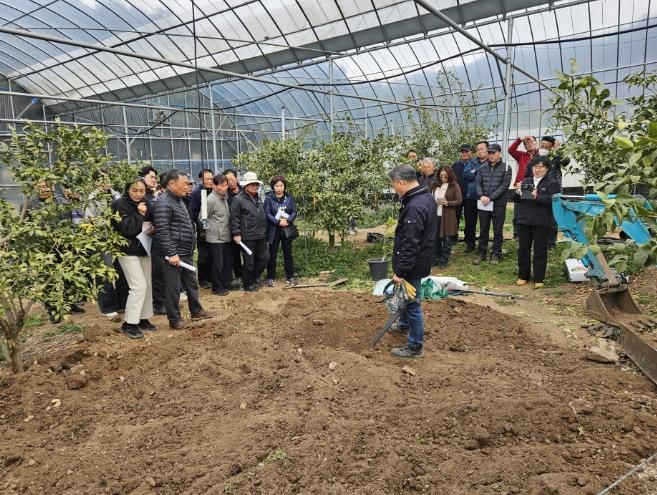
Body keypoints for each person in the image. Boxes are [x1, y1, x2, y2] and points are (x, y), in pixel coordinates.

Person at [152, 169, 214, 329]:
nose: (188, 187)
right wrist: (171, 253)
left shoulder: (178, 199)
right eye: (184, 184)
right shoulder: (163, 202)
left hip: (184, 250)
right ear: (171, 184)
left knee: (191, 282)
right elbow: (162, 230)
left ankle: (196, 311)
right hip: (173, 253)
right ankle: (175, 320)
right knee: (173, 288)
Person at [388, 164, 437, 359]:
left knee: (412, 303)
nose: (393, 188)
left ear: (401, 182)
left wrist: (401, 271)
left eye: (393, 184)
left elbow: (410, 244)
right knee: (406, 297)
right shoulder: (425, 197)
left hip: (413, 264)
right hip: (420, 259)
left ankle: (415, 346)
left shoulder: (415, 206)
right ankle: (403, 324)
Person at [111, 178, 156, 339]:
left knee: (147, 285)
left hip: (144, 247)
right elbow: (127, 229)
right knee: (138, 286)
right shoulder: (119, 204)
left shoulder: (146, 202)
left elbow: (152, 220)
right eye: (134, 190)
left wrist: (153, 228)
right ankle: (129, 323)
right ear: (127, 190)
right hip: (127, 251)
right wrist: (140, 214)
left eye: (141, 191)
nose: (138, 194)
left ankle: (143, 318)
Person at [514, 156, 561, 288]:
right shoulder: (526, 181)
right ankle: (523, 275)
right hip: (524, 220)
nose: (537, 169)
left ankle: (539, 278)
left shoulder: (552, 183)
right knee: (523, 249)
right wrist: (517, 192)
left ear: (547, 168)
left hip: (541, 221)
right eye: (535, 167)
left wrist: (537, 197)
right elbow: (517, 200)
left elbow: (552, 201)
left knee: (540, 250)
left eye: (540, 167)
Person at [84, 171, 123, 321]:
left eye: (107, 179)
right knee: (105, 273)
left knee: (121, 270)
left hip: (118, 238)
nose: (105, 183)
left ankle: (121, 302)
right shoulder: (91, 198)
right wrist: (108, 221)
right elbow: (89, 220)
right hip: (101, 239)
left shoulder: (116, 195)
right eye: (101, 180)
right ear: (95, 182)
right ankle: (108, 307)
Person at [230, 171, 270, 292]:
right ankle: (247, 284)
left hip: (261, 234)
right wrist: (236, 233)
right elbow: (234, 217)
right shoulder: (238, 199)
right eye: (252, 184)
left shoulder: (258, 197)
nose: (255, 186)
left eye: (256, 184)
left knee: (265, 258)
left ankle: (253, 277)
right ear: (245, 185)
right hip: (247, 236)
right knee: (249, 262)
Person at [474, 143, 512, 265]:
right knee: (483, 229)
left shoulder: (506, 168)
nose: (491, 155)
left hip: (498, 204)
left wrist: (491, 198)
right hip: (484, 203)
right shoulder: (482, 168)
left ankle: (496, 253)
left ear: (499, 153)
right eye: (489, 153)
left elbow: (504, 186)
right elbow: (478, 183)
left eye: (493, 153)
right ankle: (482, 252)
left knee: (497, 230)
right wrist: (481, 196)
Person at [264, 175, 298, 287]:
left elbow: (294, 211)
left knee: (288, 253)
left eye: (281, 186)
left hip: (286, 228)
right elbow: (267, 213)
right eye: (277, 186)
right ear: (273, 187)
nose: (279, 188)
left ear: (284, 186)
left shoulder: (289, 197)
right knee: (272, 254)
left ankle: (290, 276)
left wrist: (288, 220)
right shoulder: (268, 198)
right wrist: (278, 222)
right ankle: (270, 277)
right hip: (274, 229)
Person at [205, 173, 233, 296]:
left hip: (225, 235)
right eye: (221, 185)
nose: (224, 188)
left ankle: (225, 284)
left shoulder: (224, 197)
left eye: (226, 185)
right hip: (215, 238)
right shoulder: (210, 200)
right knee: (218, 264)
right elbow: (202, 218)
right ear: (214, 186)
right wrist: (211, 230)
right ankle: (217, 287)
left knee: (226, 262)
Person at [431, 166, 462, 267]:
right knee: (435, 239)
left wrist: (447, 202)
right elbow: (428, 197)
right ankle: (435, 258)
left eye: (445, 176)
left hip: (448, 216)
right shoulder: (434, 185)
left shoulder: (454, 185)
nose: (443, 177)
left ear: (450, 175)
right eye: (441, 176)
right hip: (435, 216)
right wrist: (433, 202)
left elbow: (459, 201)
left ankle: (444, 260)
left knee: (447, 239)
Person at [509, 136, 539, 239]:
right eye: (526, 143)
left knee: (533, 211)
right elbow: (511, 150)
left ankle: (532, 233)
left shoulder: (541, 155)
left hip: (536, 186)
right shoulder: (521, 156)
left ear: (536, 143)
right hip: (522, 186)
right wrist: (520, 139)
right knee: (519, 211)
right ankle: (517, 234)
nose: (529, 144)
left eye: (531, 142)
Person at [190, 168, 215, 289]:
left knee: (213, 253)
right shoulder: (196, 193)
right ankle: (203, 279)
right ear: (201, 179)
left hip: (214, 228)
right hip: (202, 229)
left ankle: (212, 276)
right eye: (207, 179)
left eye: (211, 178)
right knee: (204, 255)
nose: (210, 181)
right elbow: (194, 212)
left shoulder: (214, 190)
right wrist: (201, 226)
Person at [462, 141, 488, 253]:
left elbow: (488, 177)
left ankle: (482, 246)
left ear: (487, 150)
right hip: (471, 196)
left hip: (484, 197)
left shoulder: (490, 162)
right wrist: (478, 171)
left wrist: (474, 172)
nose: (479, 151)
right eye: (478, 149)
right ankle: (470, 244)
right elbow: (465, 175)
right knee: (470, 222)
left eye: (482, 149)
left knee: (484, 223)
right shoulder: (471, 162)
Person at [223, 168, 243, 287]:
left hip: (246, 228)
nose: (230, 182)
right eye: (228, 180)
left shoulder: (244, 190)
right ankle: (238, 275)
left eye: (232, 178)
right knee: (235, 254)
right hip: (233, 229)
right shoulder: (225, 195)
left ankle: (249, 274)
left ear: (236, 177)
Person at [451, 144, 473, 229]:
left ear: (471, 152)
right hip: (457, 196)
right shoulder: (454, 166)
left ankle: (469, 236)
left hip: (470, 197)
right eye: (462, 152)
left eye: (466, 151)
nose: (464, 153)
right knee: (455, 218)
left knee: (470, 219)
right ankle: (453, 235)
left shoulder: (475, 164)